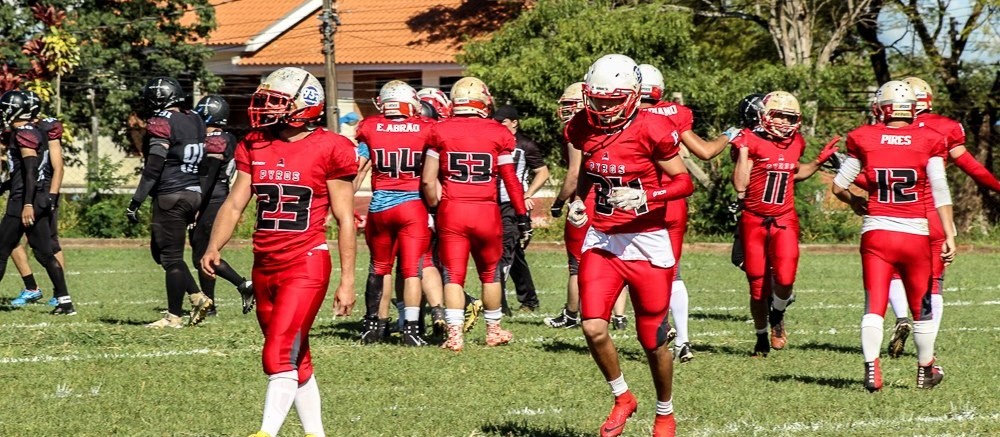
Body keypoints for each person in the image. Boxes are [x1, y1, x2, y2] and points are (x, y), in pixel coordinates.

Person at [201, 67, 357, 437]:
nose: (266, 108)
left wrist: (348, 280)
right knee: (295, 358)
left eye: (277, 102)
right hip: (264, 264)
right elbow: (237, 202)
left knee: (277, 354)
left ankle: (265, 433)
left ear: (307, 106)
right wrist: (214, 244)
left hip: (305, 262)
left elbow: (345, 219)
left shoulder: (332, 147)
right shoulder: (255, 142)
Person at [566, 54, 695, 437]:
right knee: (592, 327)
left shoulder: (653, 127)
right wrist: (579, 203)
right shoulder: (580, 125)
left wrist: (647, 197)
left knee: (653, 339)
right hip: (603, 239)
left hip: (646, 241)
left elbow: (684, 182)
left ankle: (665, 411)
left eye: (612, 99)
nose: (604, 107)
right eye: (598, 99)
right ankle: (623, 396)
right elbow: (590, 175)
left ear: (635, 94)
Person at [832, 80, 954, 391]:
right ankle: (925, 369)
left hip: (876, 231)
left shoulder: (864, 136)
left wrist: (855, 201)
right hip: (915, 234)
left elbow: (838, 185)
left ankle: (872, 368)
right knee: (922, 306)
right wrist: (950, 232)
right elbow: (939, 190)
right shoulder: (929, 138)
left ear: (880, 108)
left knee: (874, 303)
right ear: (912, 108)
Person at [882, 77, 1000, 358]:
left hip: (892, 212)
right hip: (933, 211)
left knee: (893, 271)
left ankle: (901, 317)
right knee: (934, 280)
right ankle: (928, 346)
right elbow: (971, 166)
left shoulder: (881, 131)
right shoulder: (944, 129)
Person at [636, 64, 740, 362]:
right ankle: (682, 340)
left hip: (638, 200)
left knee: (635, 269)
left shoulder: (625, 116)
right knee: (673, 271)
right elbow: (706, 152)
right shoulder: (675, 113)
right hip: (672, 199)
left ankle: (657, 327)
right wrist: (728, 135)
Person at [420, 76, 531, 352]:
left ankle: (455, 335)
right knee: (490, 273)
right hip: (486, 211)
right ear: (483, 102)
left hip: (453, 209)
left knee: (453, 276)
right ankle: (493, 330)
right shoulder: (498, 132)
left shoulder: (439, 130)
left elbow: (427, 181)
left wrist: (435, 206)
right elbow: (510, 179)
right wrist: (521, 215)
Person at [730, 91, 839, 357]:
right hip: (753, 220)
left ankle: (777, 313)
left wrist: (817, 162)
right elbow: (740, 185)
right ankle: (760, 337)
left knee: (786, 278)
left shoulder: (796, 142)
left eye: (789, 117)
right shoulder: (749, 141)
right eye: (778, 115)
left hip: (784, 219)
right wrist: (743, 149)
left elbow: (794, 172)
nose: (783, 122)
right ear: (765, 116)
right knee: (757, 287)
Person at [127, 77, 212, 328]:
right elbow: (205, 165)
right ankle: (197, 296)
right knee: (160, 252)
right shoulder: (195, 118)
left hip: (170, 193)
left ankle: (174, 316)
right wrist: (202, 201)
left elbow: (154, 167)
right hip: (194, 191)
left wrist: (136, 201)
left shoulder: (161, 122)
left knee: (172, 257)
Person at [355, 80, 435, 346]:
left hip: (379, 206)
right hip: (412, 206)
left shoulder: (370, 127)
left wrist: (341, 206)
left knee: (380, 268)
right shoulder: (426, 128)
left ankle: (374, 325)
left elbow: (357, 171)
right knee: (412, 270)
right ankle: (411, 329)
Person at [0, 90, 76, 315]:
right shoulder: (36, 130)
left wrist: (27, 204)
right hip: (36, 197)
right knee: (44, 254)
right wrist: (5, 186)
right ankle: (65, 301)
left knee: (1, 250)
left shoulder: (23, 133)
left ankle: (56, 297)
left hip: (24, 201)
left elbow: (31, 170)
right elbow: (23, 173)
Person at [190, 95, 254, 315]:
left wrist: (198, 203)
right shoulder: (220, 137)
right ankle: (210, 304)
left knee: (205, 254)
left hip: (212, 198)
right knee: (200, 254)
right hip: (214, 196)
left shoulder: (218, 139)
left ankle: (243, 285)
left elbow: (210, 176)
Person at [493, 105, 548, 314]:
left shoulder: (525, 145)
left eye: (502, 122)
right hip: (492, 201)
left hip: (514, 203)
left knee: (506, 251)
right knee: (514, 254)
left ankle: (499, 302)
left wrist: (527, 194)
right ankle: (529, 299)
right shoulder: (493, 141)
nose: (497, 126)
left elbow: (542, 172)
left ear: (514, 123)